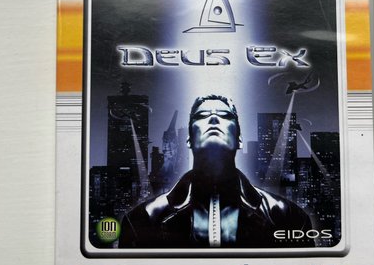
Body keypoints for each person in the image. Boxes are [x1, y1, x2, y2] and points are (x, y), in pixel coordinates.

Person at [119, 94, 313, 248]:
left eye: (225, 116)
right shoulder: (142, 219)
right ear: (188, 139)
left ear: (239, 140)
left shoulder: (287, 216)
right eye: (202, 116)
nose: (213, 118)